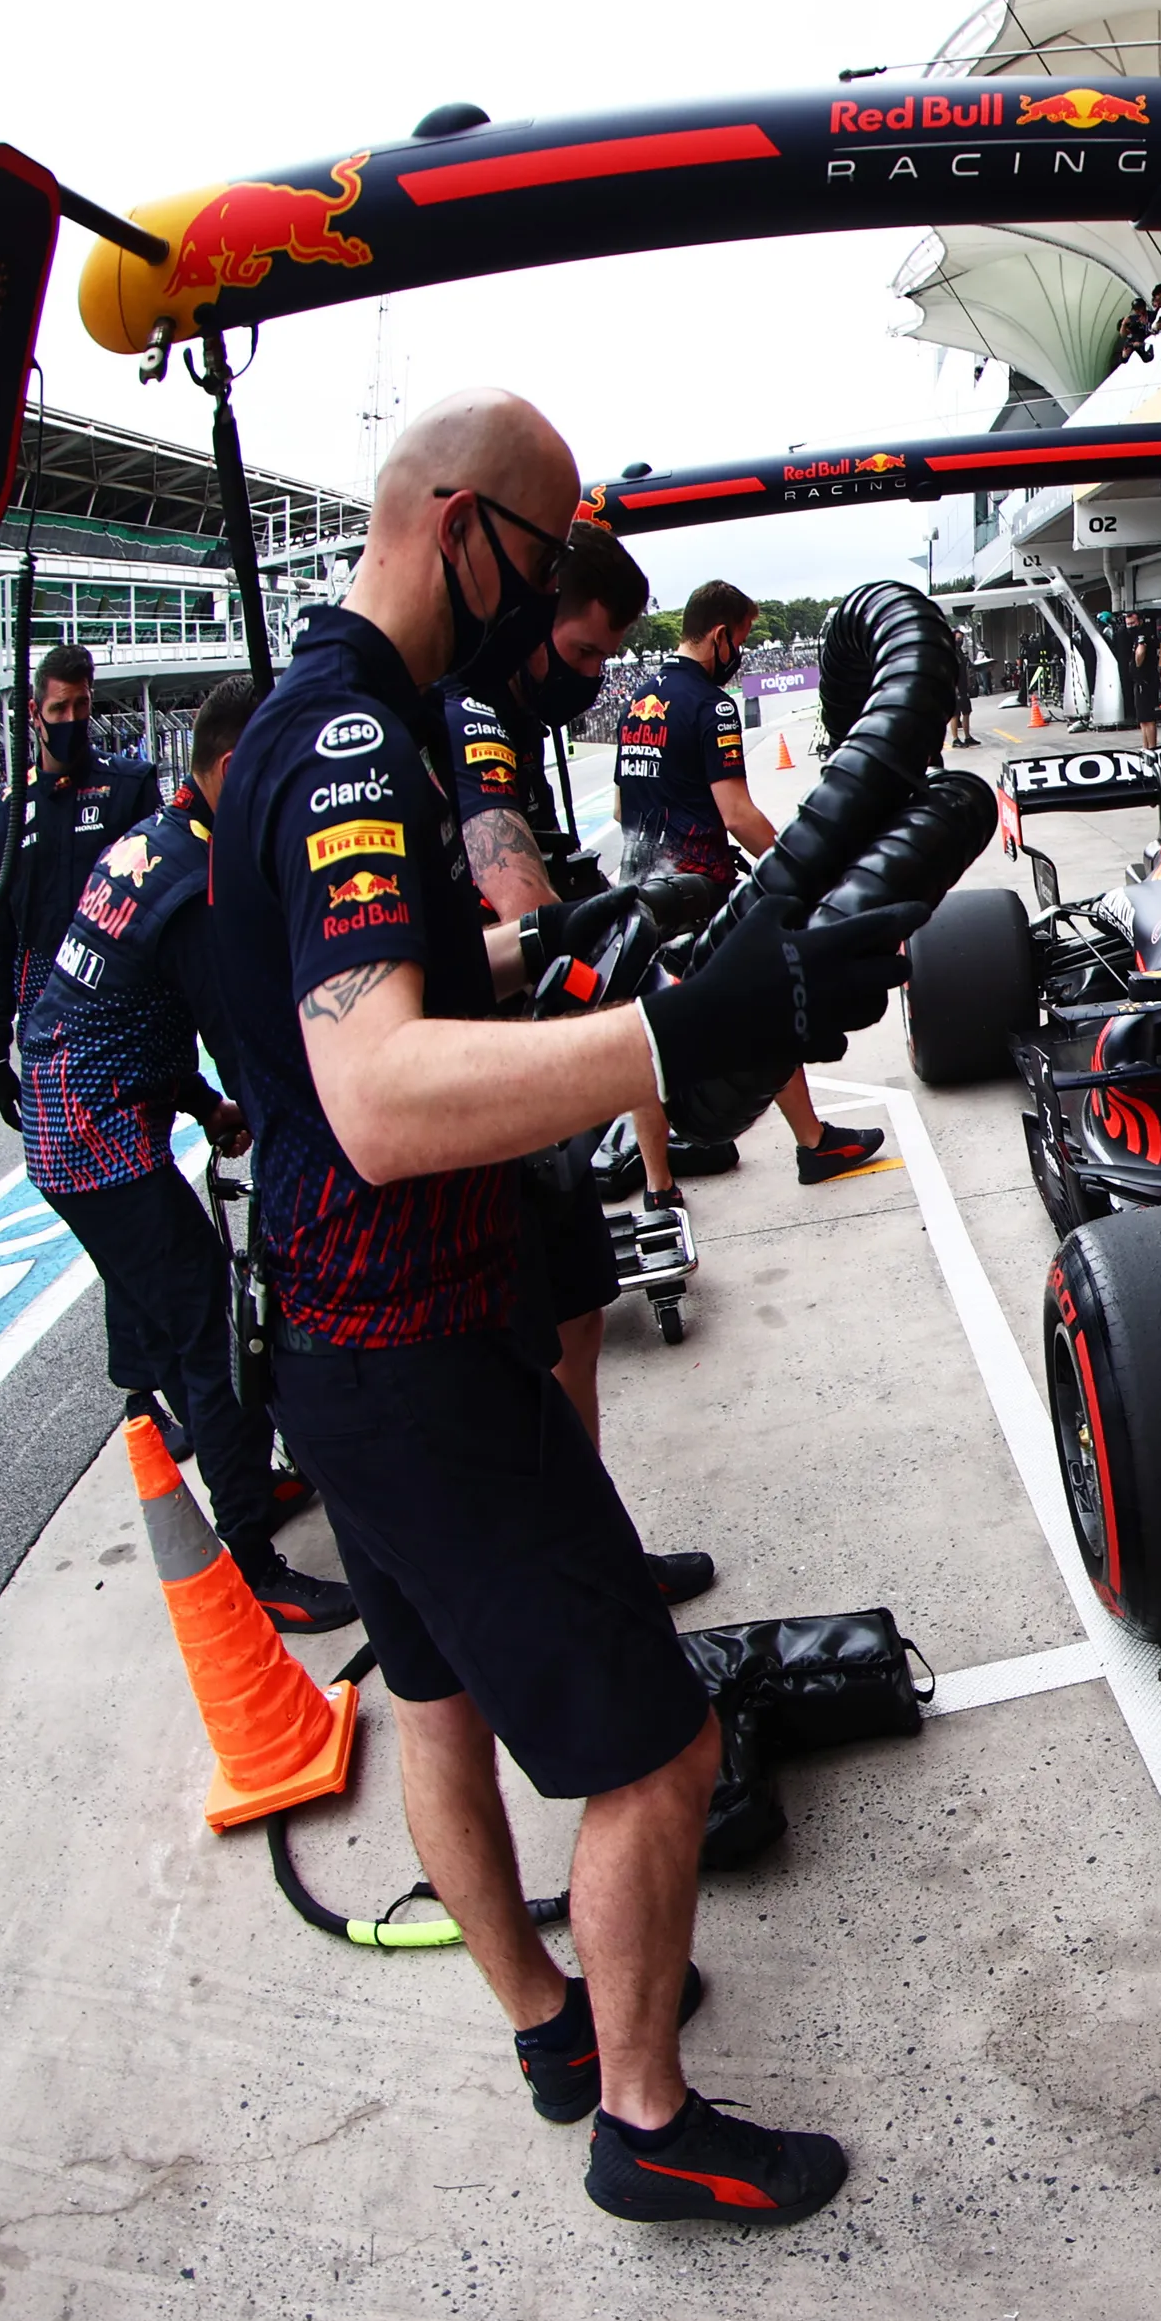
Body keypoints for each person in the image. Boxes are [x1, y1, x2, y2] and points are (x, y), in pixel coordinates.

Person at [214, 386, 915, 2224]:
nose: (551, 613)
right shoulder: (363, 737)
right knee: (661, 1746)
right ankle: (644, 2121)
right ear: (464, 527)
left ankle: (546, 2021)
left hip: (341, 1349)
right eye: (540, 556)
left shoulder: (324, 722)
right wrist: (664, 1037)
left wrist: (566, 949)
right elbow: (375, 1094)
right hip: (422, 1347)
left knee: (436, 1701)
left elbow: (388, 1004)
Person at [16, 674, 349, 1631]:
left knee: (200, 1322)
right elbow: (242, 1041)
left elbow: (128, 996)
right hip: (92, 1137)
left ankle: (254, 1473)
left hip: (84, 1107)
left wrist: (204, 1107)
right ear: (233, 770)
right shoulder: (198, 876)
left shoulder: (159, 834)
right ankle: (251, 1561)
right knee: (218, 1329)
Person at [438, 526, 711, 1610]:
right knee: (525, 1338)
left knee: (579, 1310)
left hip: (503, 1065)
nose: (594, 678)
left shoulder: (503, 709)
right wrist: (601, 935)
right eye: (589, 654)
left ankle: (588, 1553)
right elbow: (518, 896)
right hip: (474, 1078)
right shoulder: (466, 705)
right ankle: (559, 1576)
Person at [617, 584, 887, 1188]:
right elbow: (736, 813)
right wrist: (800, 868)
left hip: (639, 891)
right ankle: (814, 1143)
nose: (740, 651)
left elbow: (618, 808)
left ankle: (660, 1188)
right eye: (740, 639)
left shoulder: (637, 700)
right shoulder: (711, 705)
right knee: (769, 1003)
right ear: (719, 636)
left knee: (645, 1035)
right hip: (698, 892)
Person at [0, 642, 175, 1440]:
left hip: (125, 1021)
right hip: (52, 1035)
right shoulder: (8, 817)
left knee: (136, 1199)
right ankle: (144, 1384)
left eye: (82, 708)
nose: (70, 723)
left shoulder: (126, 788)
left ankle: (150, 1381)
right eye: (57, 712)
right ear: (33, 713)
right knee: (120, 1210)